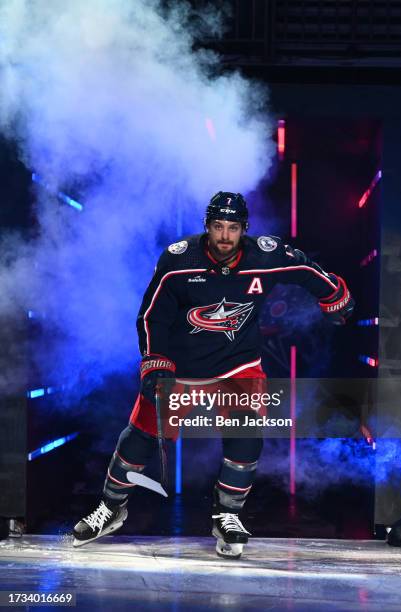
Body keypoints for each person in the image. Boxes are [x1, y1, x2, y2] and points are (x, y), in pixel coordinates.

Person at [73, 191, 354, 558]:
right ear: (207, 227)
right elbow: (151, 315)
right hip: (181, 366)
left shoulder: (264, 255)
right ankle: (111, 507)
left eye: (233, 228)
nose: (225, 236)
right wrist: (155, 361)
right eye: (218, 227)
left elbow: (304, 269)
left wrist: (336, 296)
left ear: (244, 230)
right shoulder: (179, 261)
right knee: (141, 437)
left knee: (246, 433)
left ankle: (227, 514)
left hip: (238, 364)